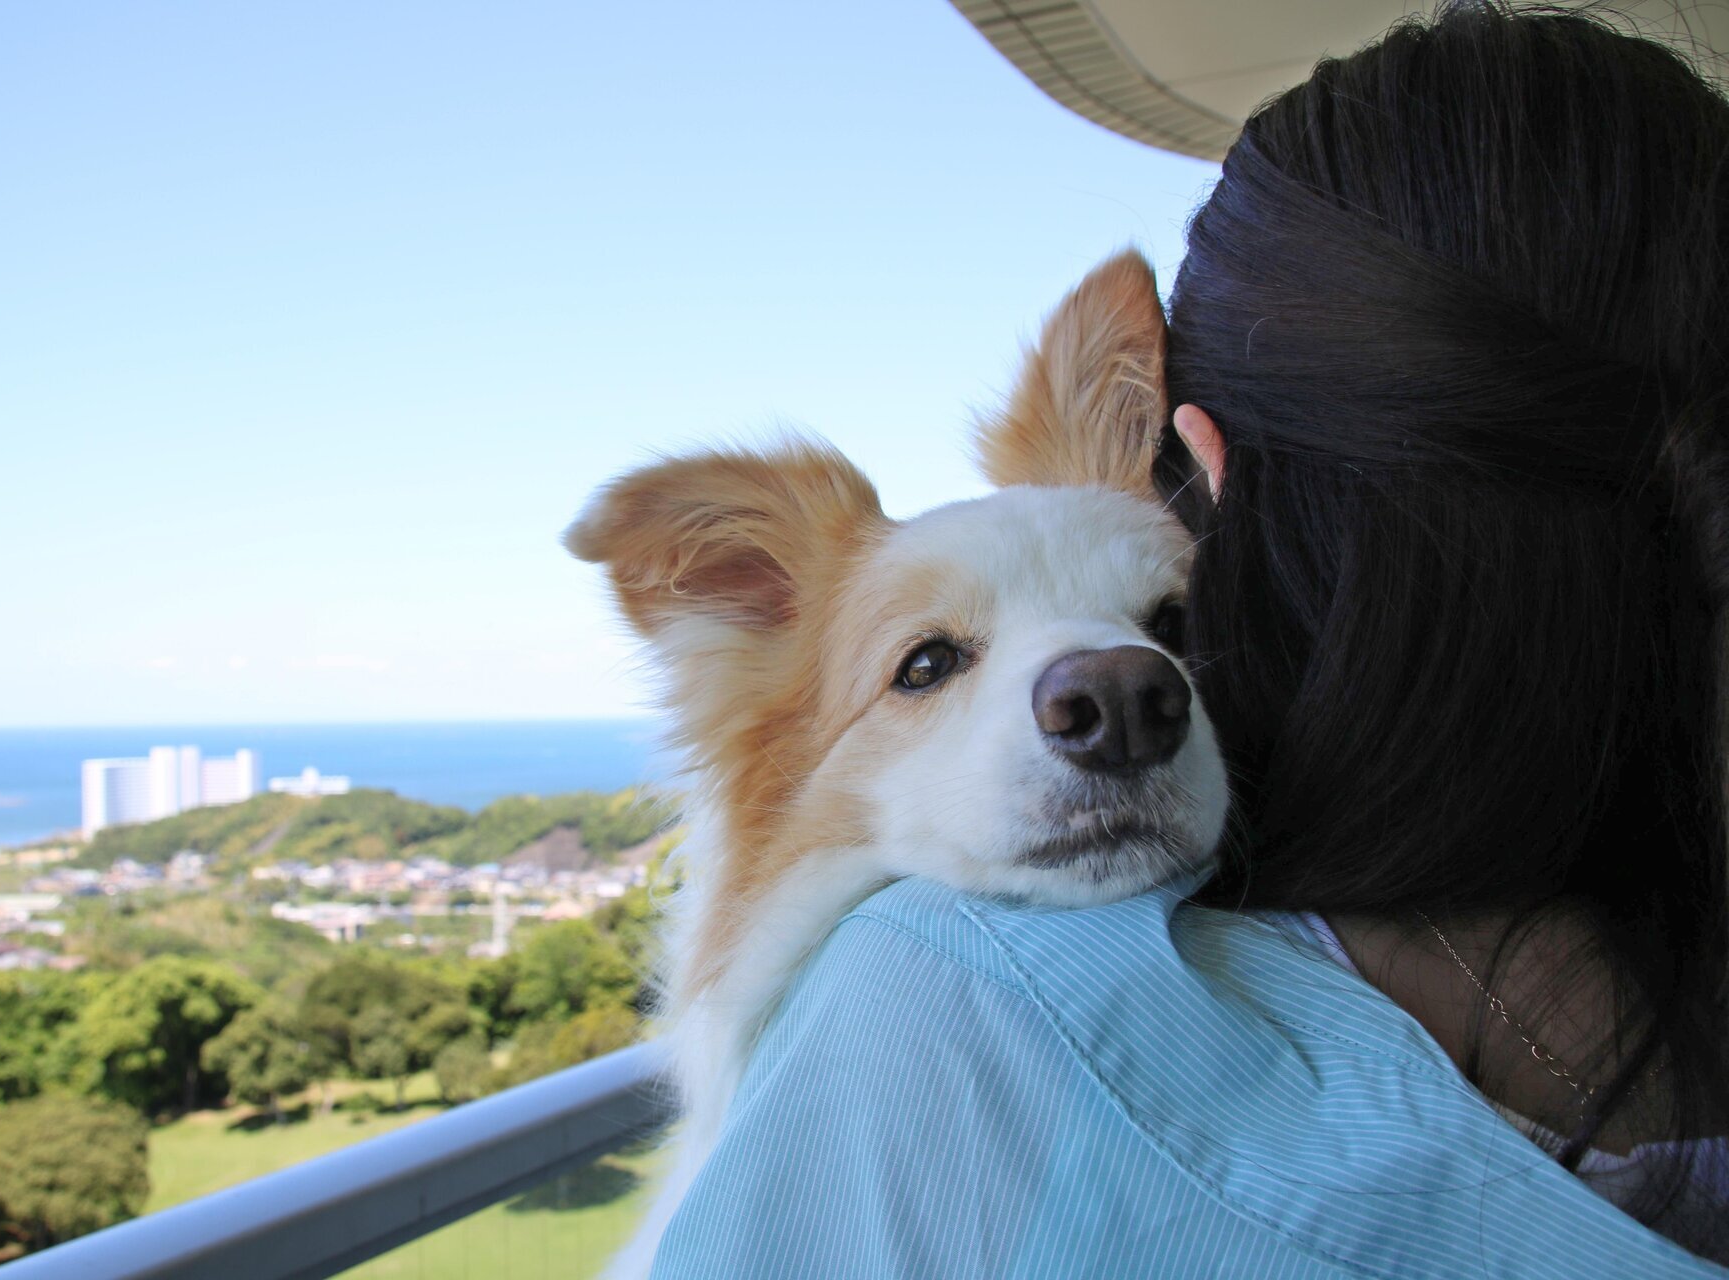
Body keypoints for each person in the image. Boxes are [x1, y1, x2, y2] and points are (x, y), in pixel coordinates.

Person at [646, 4, 1729, 1275]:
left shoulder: (946, 998)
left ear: (1206, 471)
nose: (1112, 686)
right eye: (931, 661)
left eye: (1162, 625)